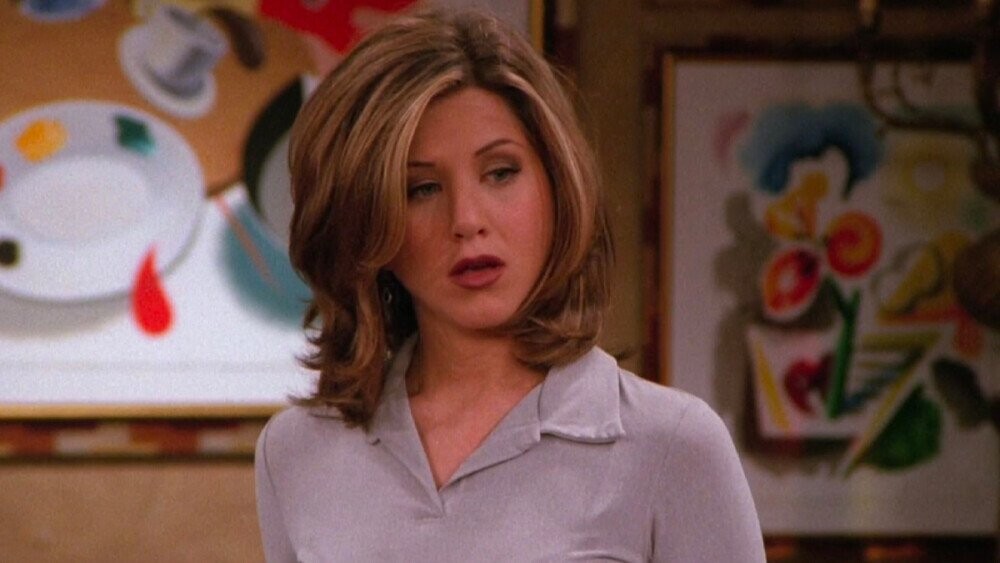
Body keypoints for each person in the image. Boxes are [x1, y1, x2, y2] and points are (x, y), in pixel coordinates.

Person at [255, 9, 765, 562]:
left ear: (556, 185)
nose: (466, 219)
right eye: (421, 189)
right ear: (368, 223)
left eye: (500, 172)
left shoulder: (673, 445)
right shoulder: (296, 452)